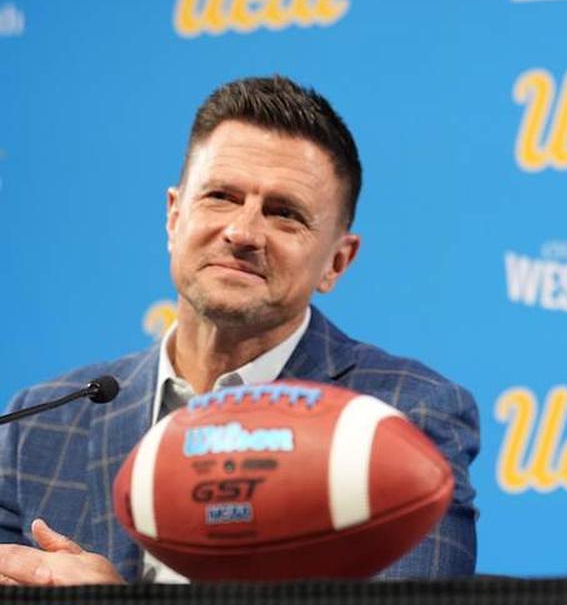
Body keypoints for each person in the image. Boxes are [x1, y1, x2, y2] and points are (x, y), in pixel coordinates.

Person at [0, 76, 480, 584]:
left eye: (284, 213)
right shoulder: (36, 429)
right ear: (173, 216)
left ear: (337, 262)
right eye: (221, 196)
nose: (243, 233)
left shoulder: (405, 418)